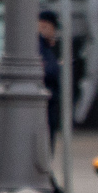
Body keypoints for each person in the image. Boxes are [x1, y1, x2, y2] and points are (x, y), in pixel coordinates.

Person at [38, 10, 62, 141]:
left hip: (49, 103)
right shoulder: (39, 47)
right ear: (45, 26)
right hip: (45, 104)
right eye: (53, 29)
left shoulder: (46, 47)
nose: (54, 33)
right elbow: (49, 71)